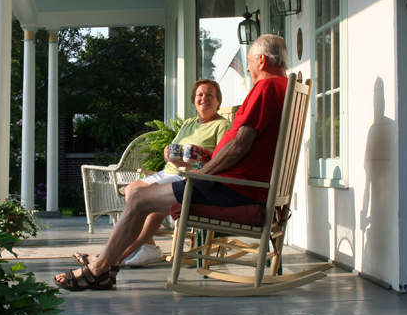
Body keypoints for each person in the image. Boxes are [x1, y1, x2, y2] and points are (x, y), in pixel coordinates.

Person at [55, 34, 289, 291]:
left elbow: (239, 146)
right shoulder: (284, 87)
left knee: (139, 199)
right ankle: (106, 265)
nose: (247, 67)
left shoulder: (266, 88)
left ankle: (99, 269)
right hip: (241, 186)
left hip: (232, 188)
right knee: (139, 197)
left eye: (249, 62)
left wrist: (201, 174)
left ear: (262, 60)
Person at [118, 79, 231, 267]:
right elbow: (176, 151)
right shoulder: (188, 123)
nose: (204, 98)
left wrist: (201, 158)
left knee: (145, 197)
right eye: (200, 95)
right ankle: (150, 247)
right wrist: (168, 154)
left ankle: (135, 251)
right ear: (194, 100)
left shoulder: (221, 125)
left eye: (209, 94)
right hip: (170, 171)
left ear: (218, 100)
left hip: (189, 177)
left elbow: (220, 160)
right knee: (131, 190)